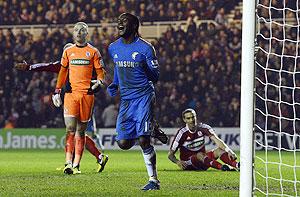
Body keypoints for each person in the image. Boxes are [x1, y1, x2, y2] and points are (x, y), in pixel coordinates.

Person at [14, 44, 107, 173]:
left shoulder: (82, 63)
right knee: (78, 133)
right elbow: (46, 66)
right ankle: (96, 158)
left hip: (83, 99)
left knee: (75, 132)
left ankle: (74, 164)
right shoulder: (68, 64)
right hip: (75, 99)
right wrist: (29, 67)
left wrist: (96, 83)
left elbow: (100, 75)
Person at [106, 13, 168, 190]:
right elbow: (118, 67)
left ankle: (153, 180)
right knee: (123, 143)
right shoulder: (113, 47)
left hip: (144, 96)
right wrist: (115, 83)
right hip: (126, 99)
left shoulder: (146, 49)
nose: (119, 24)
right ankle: (151, 128)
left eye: (123, 21)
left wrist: (143, 69)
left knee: (143, 140)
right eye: (118, 21)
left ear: (134, 26)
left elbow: (155, 76)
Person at [52, 22, 106, 174]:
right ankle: (68, 163)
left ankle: (76, 166)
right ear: (73, 33)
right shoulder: (68, 51)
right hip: (70, 96)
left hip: (87, 96)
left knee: (80, 132)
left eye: (82, 30)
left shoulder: (93, 52)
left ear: (86, 33)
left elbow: (100, 71)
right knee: (70, 129)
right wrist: (57, 91)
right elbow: (62, 72)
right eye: (76, 30)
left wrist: (100, 81)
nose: (79, 32)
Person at [168, 108, 240, 171]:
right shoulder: (181, 133)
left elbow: (217, 141)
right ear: (184, 120)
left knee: (220, 150)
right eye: (188, 118)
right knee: (199, 154)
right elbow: (170, 155)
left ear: (196, 117)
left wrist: (229, 151)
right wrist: (177, 162)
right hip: (189, 164)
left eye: (193, 117)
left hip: (204, 160)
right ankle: (222, 167)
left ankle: (237, 165)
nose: (191, 120)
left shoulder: (204, 127)